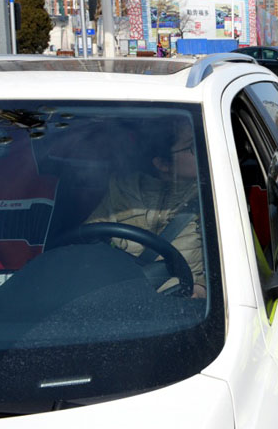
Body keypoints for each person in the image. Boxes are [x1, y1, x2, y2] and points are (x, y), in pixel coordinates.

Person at [86, 121, 206, 297]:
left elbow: (231, 263)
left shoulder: (210, 195)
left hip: (185, 300)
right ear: (163, 164)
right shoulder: (122, 189)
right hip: (123, 298)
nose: (204, 151)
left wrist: (202, 289)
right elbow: (88, 242)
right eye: (192, 147)